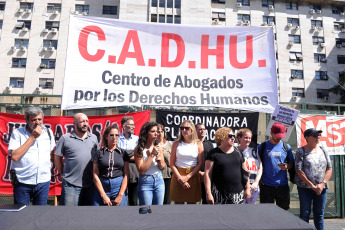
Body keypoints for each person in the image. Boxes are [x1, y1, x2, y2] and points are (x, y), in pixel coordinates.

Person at [8, 107, 55, 205]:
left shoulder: (48, 132)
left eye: (40, 119)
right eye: (34, 120)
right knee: (22, 215)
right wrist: (33, 137)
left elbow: (50, 153)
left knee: (40, 214)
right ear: (27, 120)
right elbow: (15, 157)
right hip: (23, 181)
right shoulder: (18, 133)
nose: (37, 122)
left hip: (43, 181)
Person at [54, 113, 99, 206]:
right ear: (74, 123)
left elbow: (97, 159)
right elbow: (57, 157)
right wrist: (62, 173)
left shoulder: (93, 138)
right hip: (71, 186)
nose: (85, 124)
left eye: (87, 121)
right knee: (69, 215)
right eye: (82, 122)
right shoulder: (65, 138)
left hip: (90, 185)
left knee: (87, 216)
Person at [295, 128, 332, 230]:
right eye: (315, 135)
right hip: (305, 188)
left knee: (319, 214)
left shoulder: (323, 150)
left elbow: (329, 169)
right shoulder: (300, 151)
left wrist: (322, 184)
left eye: (319, 134)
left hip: (322, 189)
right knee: (305, 214)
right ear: (307, 137)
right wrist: (312, 186)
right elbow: (299, 170)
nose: (318, 137)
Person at [204, 127, 251, 204]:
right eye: (230, 136)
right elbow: (207, 174)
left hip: (238, 196)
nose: (233, 138)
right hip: (219, 195)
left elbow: (245, 172)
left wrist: (248, 188)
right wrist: (208, 193)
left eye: (233, 136)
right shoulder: (213, 153)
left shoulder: (238, 152)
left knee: (237, 216)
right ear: (222, 136)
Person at [258, 122, 294, 210]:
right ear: (271, 133)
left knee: (283, 213)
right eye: (277, 135)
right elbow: (257, 164)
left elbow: (292, 164)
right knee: (267, 213)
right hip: (266, 186)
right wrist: (258, 179)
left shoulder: (286, 147)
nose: (279, 137)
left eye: (281, 135)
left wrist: (286, 167)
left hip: (282, 185)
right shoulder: (262, 146)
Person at [92, 125, 129, 206]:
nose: (114, 137)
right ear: (106, 136)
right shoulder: (99, 153)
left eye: (117, 135)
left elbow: (126, 175)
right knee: (96, 214)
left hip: (118, 187)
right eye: (111, 135)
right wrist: (103, 195)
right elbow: (95, 174)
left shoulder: (123, 153)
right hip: (102, 186)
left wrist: (120, 195)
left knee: (121, 215)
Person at [170, 120, 203, 204]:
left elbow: (200, 163)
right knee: (178, 206)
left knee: (191, 207)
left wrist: (187, 177)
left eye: (187, 128)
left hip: (193, 175)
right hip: (178, 175)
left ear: (192, 130)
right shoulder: (176, 144)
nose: (184, 130)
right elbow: (172, 163)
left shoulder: (198, 144)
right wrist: (180, 178)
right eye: (182, 128)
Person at [134, 122, 166, 205]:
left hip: (159, 180)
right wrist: (151, 155)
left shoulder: (158, 147)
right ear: (146, 133)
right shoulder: (139, 149)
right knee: (146, 211)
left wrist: (160, 163)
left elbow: (163, 167)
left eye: (157, 131)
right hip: (145, 182)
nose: (156, 134)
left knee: (158, 212)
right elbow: (141, 170)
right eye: (153, 131)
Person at [117, 116, 139, 206]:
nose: (133, 127)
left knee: (133, 201)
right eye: (131, 125)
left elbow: (139, 156)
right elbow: (116, 155)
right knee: (120, 198)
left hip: (133, 173)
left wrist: (124, 156)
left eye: (134, 125)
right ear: (124, 126)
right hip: (120, 172)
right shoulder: (117, 138)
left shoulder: (137, 139)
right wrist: (131, 154)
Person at [237, 128, 262, 204]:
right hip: (240, 187)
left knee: (251, 211)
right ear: (239, 138)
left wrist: (256, 182)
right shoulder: (235, 150)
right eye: (245, 137)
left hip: (253, 186)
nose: (248, 140)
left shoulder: (254, 151)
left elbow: (260, 167)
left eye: (249, 138)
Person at [196, 123, 214, 204]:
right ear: (195, 131)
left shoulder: (209, 144)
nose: (202, 131)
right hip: (194, 175)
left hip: (206, 177)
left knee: (206, 200)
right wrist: (197, 172)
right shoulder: (192, 144)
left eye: (204, 129)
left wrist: (207, 173)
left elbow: (212, 160)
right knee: (193, 201)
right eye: (200, 129)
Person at [157, 123, 173, 204]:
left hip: (168, 176)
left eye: (161, 132)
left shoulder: (170, 145)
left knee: (167, 202)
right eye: (158, 132)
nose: (160, 134)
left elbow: (172, 161)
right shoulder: (153, 145)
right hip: (156, 177)